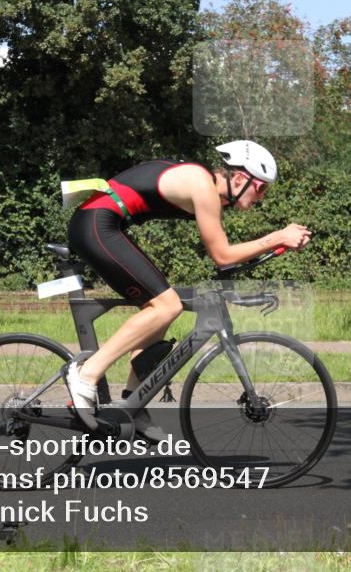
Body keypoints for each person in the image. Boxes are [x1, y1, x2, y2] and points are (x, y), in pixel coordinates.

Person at [64, 140, 311, 440]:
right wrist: (277, 236)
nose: (262, 197)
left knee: (161, 310)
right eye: (261, 189)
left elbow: (224, 262)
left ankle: (134, 400)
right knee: (167, 305)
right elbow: (222, 256)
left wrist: (273, 245)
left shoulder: (206, 189)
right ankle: (86, 375)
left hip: (104, 224)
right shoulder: (203, 186)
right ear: (238, 179)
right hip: (96, 224)